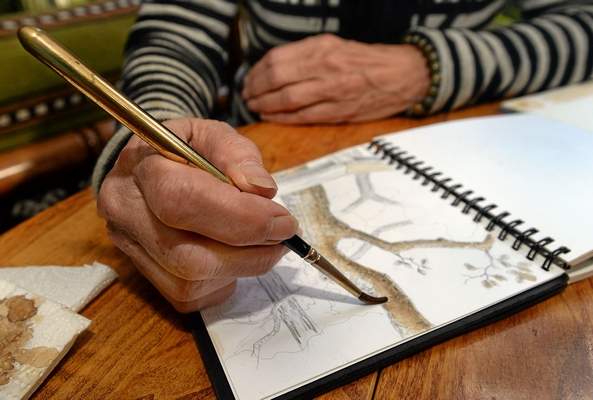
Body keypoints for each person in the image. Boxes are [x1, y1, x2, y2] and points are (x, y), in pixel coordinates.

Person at [94, 0, 593, 312]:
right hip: (257, 150)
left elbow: (581, 27)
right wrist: (156, 141)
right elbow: (173, 38)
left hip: (448, 142)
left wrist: (429, 66)